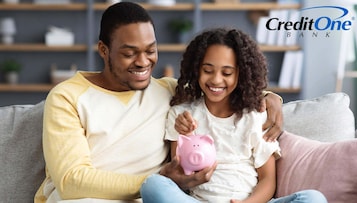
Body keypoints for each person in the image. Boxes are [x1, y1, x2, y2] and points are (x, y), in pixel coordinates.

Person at [34, 2, 284, 203]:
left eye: (150, 50)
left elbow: (221, 90)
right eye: (129, 53)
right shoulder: (67, 96)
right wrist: (161, 179)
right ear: (103, 49)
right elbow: (71, 181)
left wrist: (271, 99)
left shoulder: (168, 90)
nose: (143, 62)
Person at [140, 28, 328, 203]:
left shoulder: (256, 115)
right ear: (196, 69)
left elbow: (268, 180)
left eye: (227, 73)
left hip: (248, 201)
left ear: (242, 74)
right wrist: (186, 136)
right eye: (207, 70)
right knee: (153, 185)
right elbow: (181, 174)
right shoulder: (182, 114)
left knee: (313, 198)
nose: (216, 79)